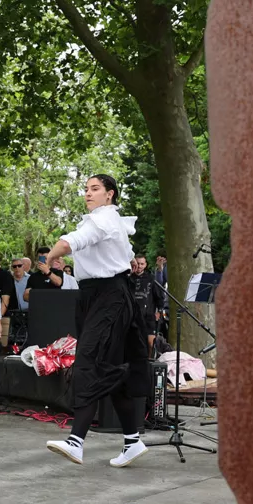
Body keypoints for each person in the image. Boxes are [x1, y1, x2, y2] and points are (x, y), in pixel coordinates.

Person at [45, 174, 149, 468]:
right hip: (97, 297)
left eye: (95, 189)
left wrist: (52, 254)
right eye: (86, 189)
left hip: (109, 297)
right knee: (110, 369)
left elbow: (72, 242)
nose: (88, 194)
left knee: (88, 361)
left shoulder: (103, 218)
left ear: (109, 195)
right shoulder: (105, 221)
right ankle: (132, 441)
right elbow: (124, 257)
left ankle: (76, 441)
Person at [127, 255, 164, 355]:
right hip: (132, 316)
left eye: (142, 264)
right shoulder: (128, 279)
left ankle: (149, 363)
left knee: (150, 343)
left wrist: (159, 311)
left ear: (145, 265)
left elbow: (159, 296)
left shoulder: (151, 278)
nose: (139, 266)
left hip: (148, 316)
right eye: (138, 263)